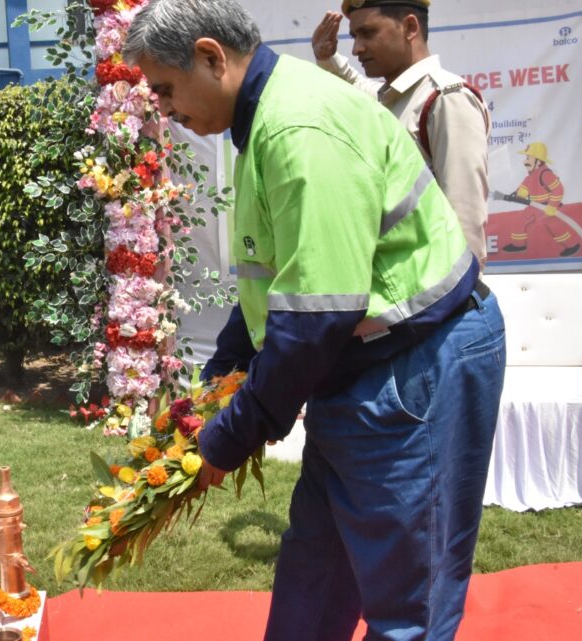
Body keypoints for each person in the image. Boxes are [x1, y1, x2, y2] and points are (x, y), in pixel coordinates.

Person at [122, 1, 506, 640]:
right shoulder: (266, 119)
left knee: (408, 606)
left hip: (417, 369)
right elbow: (272, 283)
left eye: (164, 88)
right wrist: (214, 386)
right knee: (314, 580)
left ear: (212, 58)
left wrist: (226, 438)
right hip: (363, 369)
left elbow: (315, 319)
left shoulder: (298, 127)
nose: (162, 108)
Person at [311, 0, 491, 267]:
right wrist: (327, 57)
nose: (357, 48)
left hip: (437, 299)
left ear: (409, 27)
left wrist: (456, 301)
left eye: (368, 33)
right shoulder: (394, 98)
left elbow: (465, 218)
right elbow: (357, 85)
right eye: (354, 36)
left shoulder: (446, 99)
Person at [501, 142, 579, 256]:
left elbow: (558, 190)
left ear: (538, 160)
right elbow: (523, 188)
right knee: (519, 221)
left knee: (555, 228)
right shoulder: (531, 175)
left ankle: (571, 246)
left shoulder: (545, 174)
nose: (525, 161)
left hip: (546, 207)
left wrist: (552, 206)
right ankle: (519, 245)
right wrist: (516, 195)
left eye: (528, 158)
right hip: (534, 206)